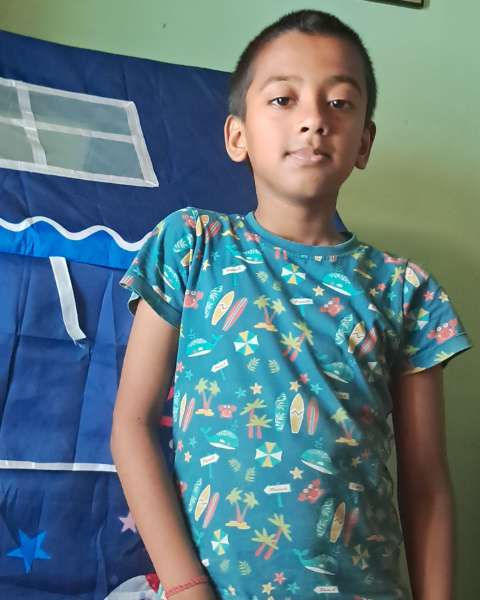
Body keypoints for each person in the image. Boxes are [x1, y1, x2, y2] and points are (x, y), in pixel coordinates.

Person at [111, 9, 472, 600]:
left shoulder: (405, 290)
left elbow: (426, 481)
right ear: (238, 136)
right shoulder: (191, 246)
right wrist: (185, 586)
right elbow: (131, 424)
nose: (313, 120)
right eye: (283, 99)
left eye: (340, 103)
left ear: (364, 143)